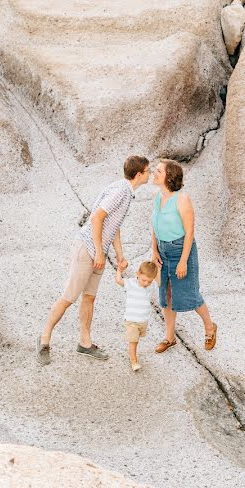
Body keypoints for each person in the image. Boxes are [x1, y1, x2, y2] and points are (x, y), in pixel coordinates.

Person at [36, 155, 150, 365]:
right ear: (139, 174)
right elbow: (97, 217)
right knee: (68, 297)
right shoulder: (120, 191)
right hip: (88, 249)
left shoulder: (125, 191)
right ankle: (44, 340)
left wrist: (119, 254)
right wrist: (98, 251)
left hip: (99, 251)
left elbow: (112, 224)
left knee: (89, 298)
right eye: (148, 171)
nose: (150, 175)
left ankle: (85, 343)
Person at [150, 159, 217, 353]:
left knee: (190, 294)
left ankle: (210, 328)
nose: (155, 173)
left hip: (181, 251)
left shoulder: (182, 199)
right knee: (167, 295)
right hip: (162, 251)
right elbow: (155, 226)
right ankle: (169, 338)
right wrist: (154, 250)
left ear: (169, 177)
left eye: (159, 171)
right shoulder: (157, 197)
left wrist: (183, 261)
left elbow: (190, 232)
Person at [114, 261, 159, 371]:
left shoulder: (151, 286)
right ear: (137, 274)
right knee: (133, 342)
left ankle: (133, 358)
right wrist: (119, 271)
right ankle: (134, 361)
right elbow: (119, 280)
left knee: (137, 340)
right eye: (143, 280)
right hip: (131, 320)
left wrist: (159, 270)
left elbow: (159, 283)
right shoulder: (131, 283)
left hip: (143, 320)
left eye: (149, 281)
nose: (146, 283)